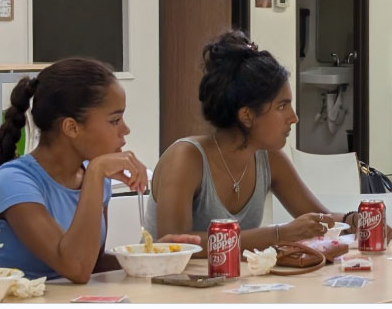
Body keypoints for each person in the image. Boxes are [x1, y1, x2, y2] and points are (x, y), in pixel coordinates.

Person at [0, 58, 197, 283]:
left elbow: (90, 262)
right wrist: (96, 172)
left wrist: (156, 256)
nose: (126, 129)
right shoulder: (14, 182)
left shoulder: (93, 178)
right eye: (114, 120)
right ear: (71, 127)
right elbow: (76, 267)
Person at [146, 31, 375, 255]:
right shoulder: (186, 158)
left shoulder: (268, 158)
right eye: (282, 106)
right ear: (247, 116)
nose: (293, 118)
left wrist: (356, 221)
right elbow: (173, 245)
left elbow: (317, 218)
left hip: (229, 288)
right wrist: (278, 234)